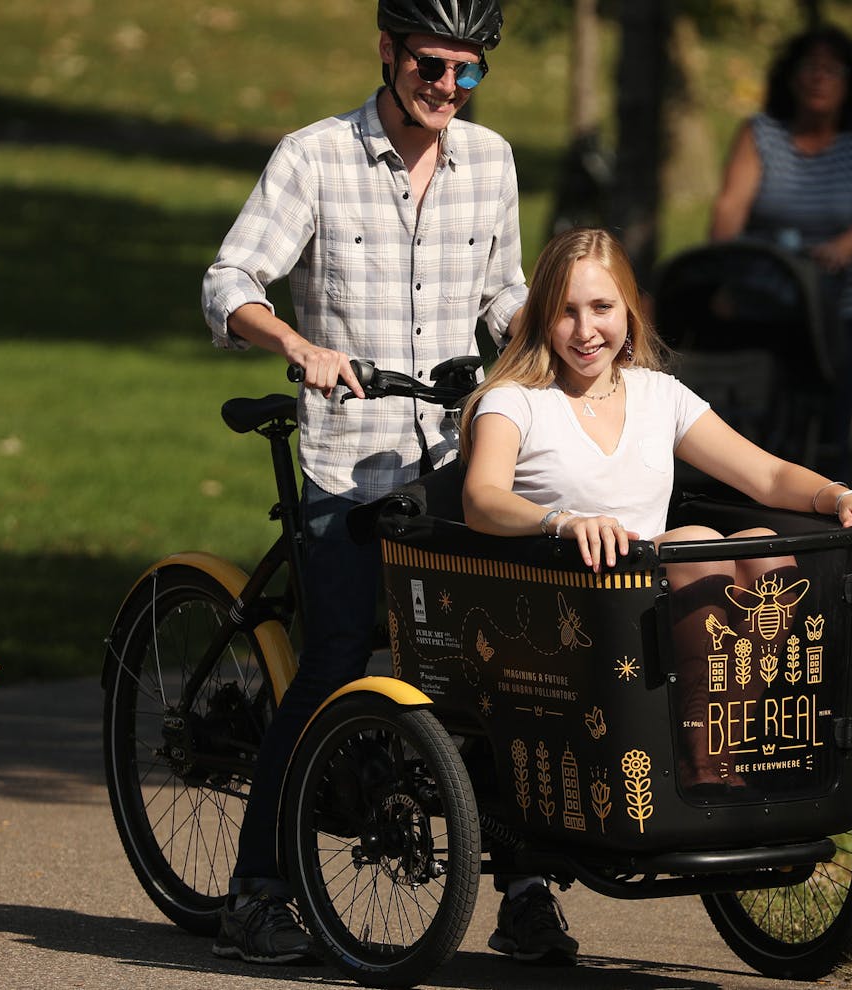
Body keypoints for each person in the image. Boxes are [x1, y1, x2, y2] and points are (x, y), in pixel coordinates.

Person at [199, 0, 531, 965]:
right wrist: (298, 346)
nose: (448, 90)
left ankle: (526, 887)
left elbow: (500, 291)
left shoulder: (493, 162)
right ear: (387, 52)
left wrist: (540, 334)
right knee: (339, 656)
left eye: (469, 73)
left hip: (455, 460)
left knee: (499, 657)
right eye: (432, 66)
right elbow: (230, 282)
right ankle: (256, 887)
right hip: (347, 460)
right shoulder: (315, 157)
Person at [461, 226, 852, 790]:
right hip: (576, 610)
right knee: (696, 541)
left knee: (762, 551)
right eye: (566, 312)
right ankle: (705, 760)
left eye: (602, 307)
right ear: (542, 316)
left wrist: (845, 496)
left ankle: (719, 740)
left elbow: (766, 474)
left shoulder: (657, 394)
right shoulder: (515, 400)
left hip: (663, 603)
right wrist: (564, 522)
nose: (585, 330)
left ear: (631, 310)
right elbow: (481, 499)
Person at [707, 24, 852, 479]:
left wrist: (836, 251)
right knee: (762, 409)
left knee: (834, 410)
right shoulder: (760, 133)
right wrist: (724, 272)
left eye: (832, 70)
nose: (819, 78)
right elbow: (730, 206)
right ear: (791, 77)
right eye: (810, 68)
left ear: (851, 83)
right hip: (770, 292)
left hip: (843, 295)